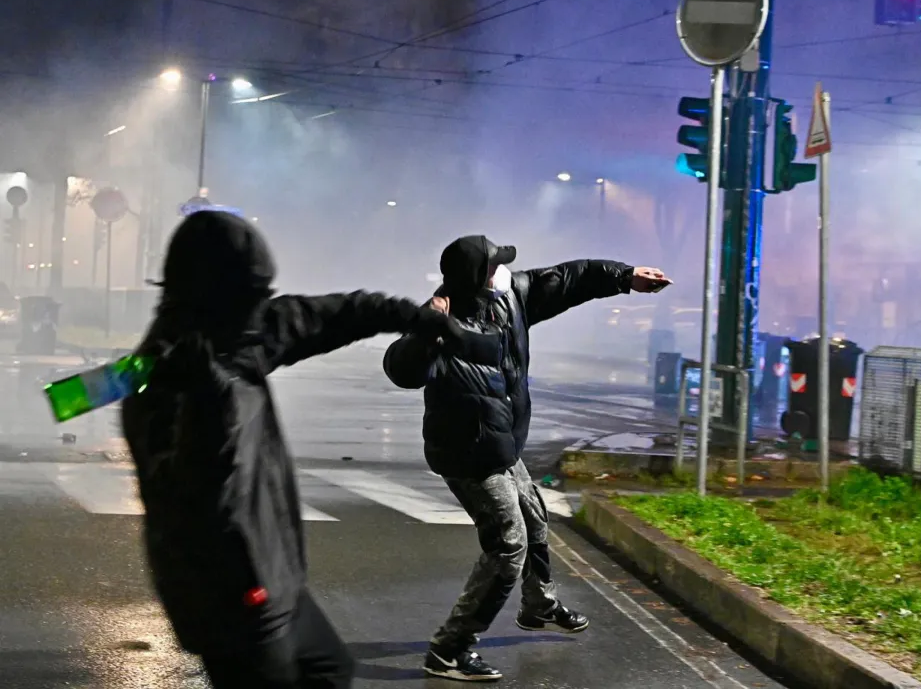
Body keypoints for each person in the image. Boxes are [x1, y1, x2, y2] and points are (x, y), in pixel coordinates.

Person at [121, 210, 470, 689]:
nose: (262, 307)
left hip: (278, 580)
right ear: (217, 294)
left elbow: (336, 313)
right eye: (252, 295)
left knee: (330, 670)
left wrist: (415, 317)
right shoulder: (162, 384)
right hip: (234, 601)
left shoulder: (241, 339)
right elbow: (191, 501)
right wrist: (208, 407)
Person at [383, 235, 671, 682]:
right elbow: (401, 370)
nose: (505, 269)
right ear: (477, 279)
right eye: (495, 264)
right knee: (507, 547)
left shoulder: (514, 296)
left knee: (535, 518)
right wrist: (426, 331)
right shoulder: (442, 318)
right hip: (468, 453)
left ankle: (539, 605)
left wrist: (626, 276)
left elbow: (572, 278)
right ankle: (449, 649)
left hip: (503, 444)